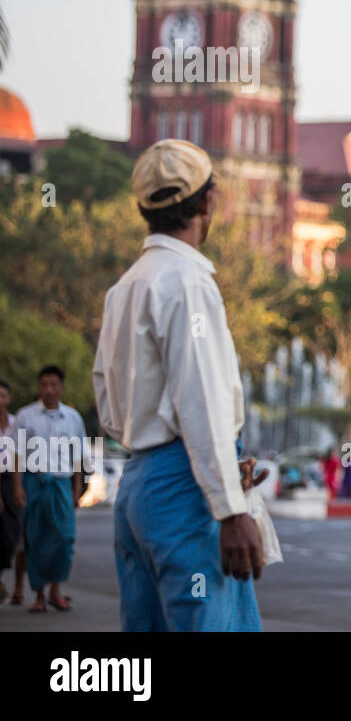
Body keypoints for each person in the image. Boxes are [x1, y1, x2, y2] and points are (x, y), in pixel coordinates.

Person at [93, 139, 264, 631]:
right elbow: (202, 402)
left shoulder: (126, 286)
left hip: (139, 487)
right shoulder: (187, 281)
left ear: (144, 208)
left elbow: (108, 405)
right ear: (207, 200)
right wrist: (231, 509)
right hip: (185, 492)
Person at [14, 365, 86, 613]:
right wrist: (17, 486)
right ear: (38, 387)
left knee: (64, 537)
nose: (48, 389)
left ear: (61, 387)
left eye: (53, 384)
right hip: (35, 482)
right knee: (36, 538)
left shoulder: (73, 418)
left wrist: (76, 489)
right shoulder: (26, 416)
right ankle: (40, 594)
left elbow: (78, 456)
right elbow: (17, 454)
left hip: (61, 484)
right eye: (44, 384)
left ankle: (57, 589)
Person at [0, 379, 23, 604]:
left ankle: (18, 586)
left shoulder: (17, 424)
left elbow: (21, 456)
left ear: (9, 398)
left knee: (13, 535)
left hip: (12, 479)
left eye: (3, 395)